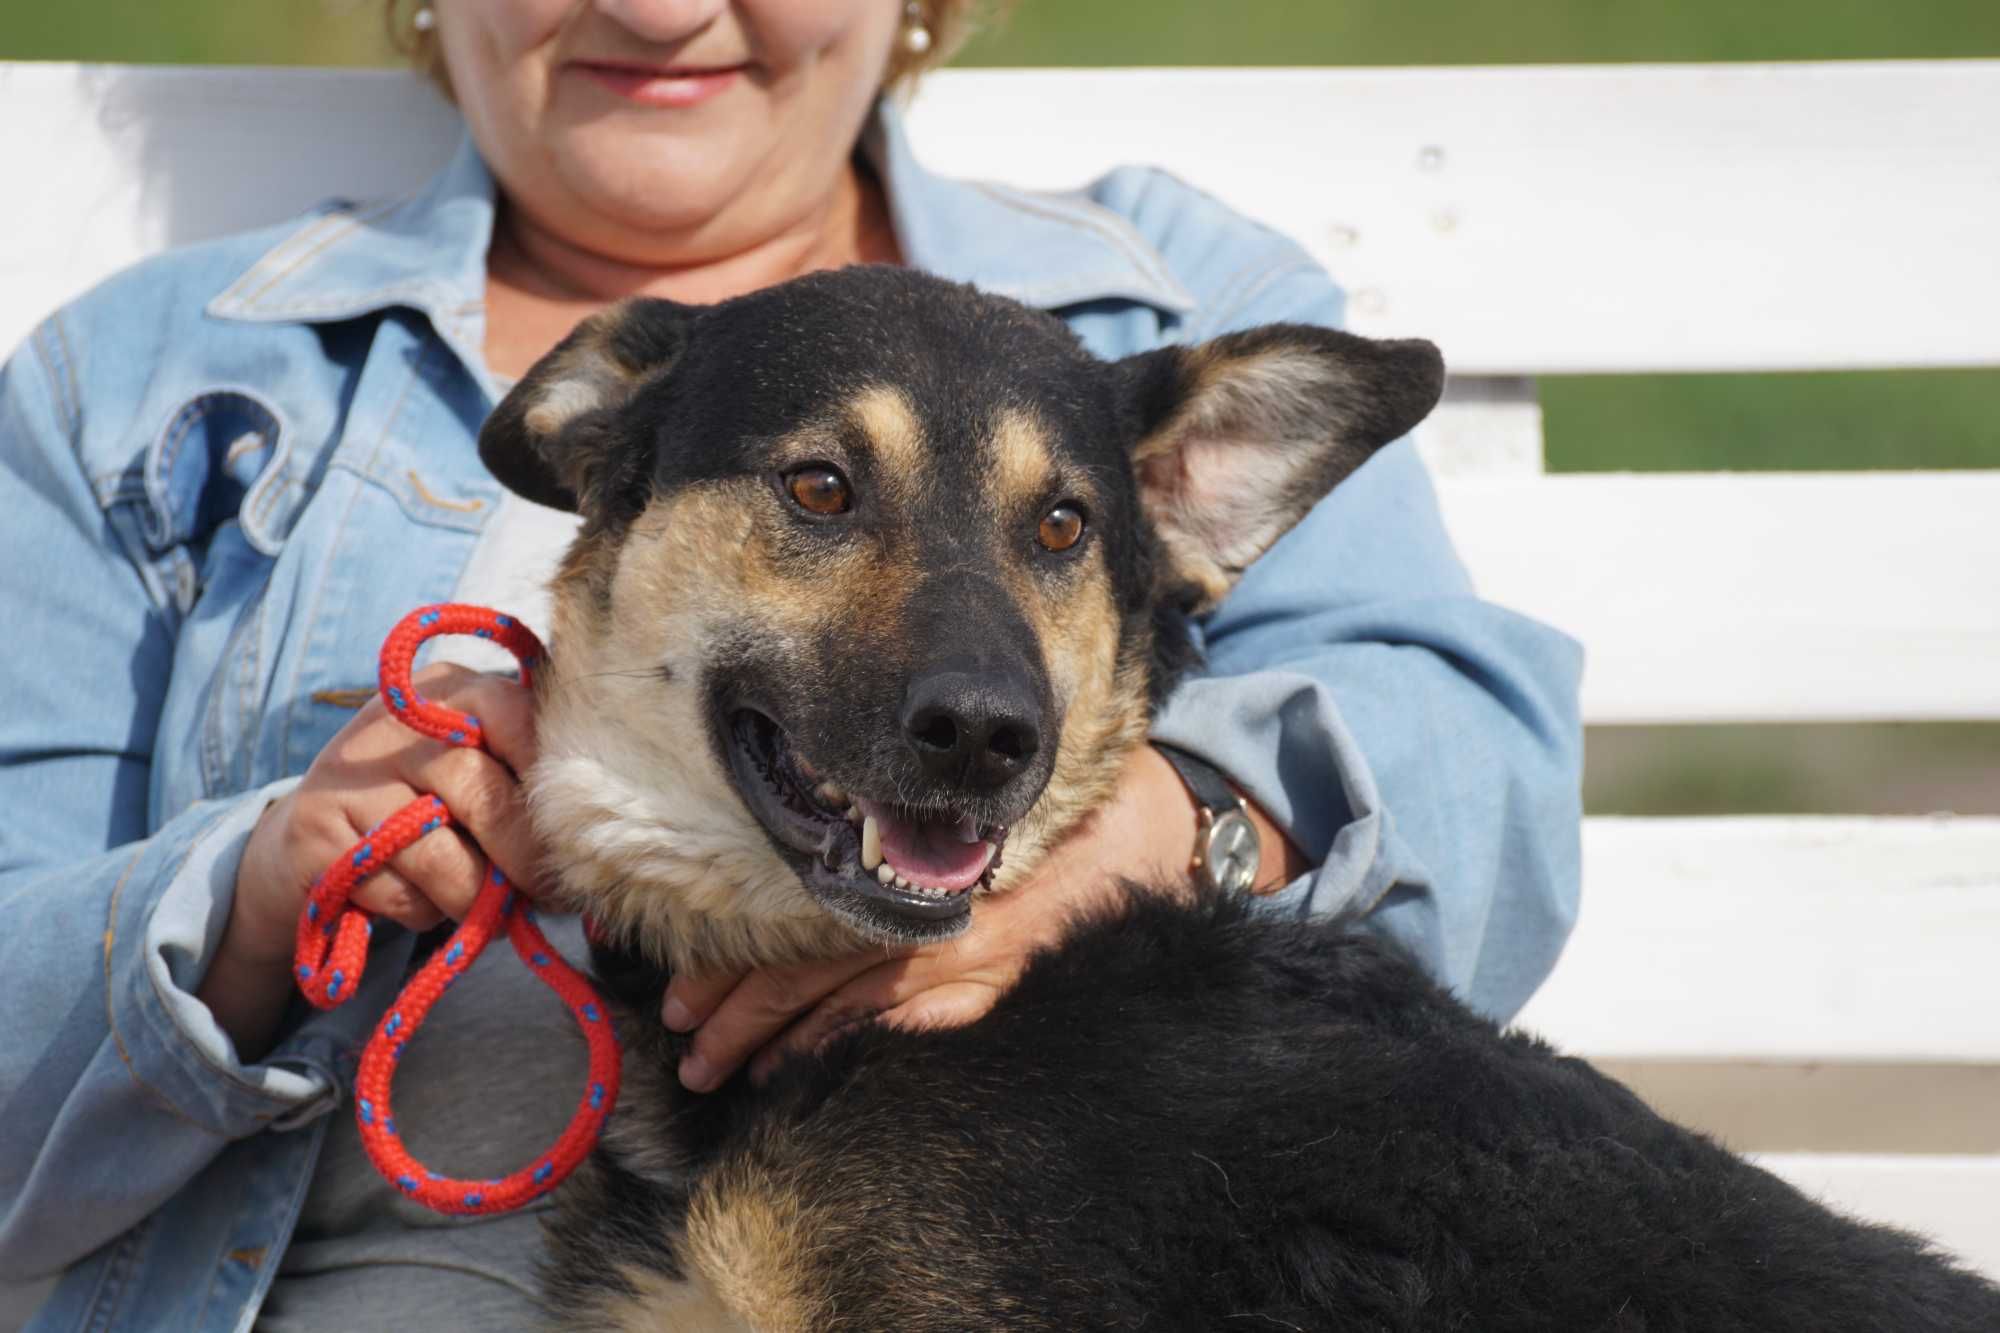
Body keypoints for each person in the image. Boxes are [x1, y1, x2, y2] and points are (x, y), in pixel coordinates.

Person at [0, 1, 1582, 1327]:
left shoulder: (1164, 314)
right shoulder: (162, 384)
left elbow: (1485, 772)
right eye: (819, 492)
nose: (661, 7)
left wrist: (1145, 834)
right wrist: (253, 894)